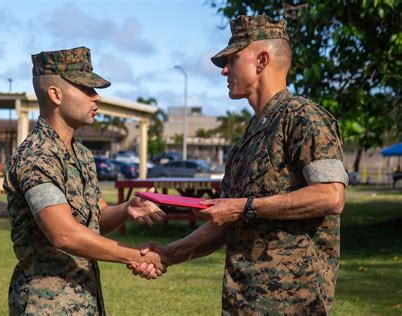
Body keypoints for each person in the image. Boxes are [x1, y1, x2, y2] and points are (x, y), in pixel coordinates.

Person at [132, 15, 349, 314]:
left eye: (232, 60)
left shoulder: (304, 118)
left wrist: (244, 206)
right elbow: (222, 223)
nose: (223, 70)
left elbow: (330, 196)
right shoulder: (248, 137)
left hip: (291, 304)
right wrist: (167, 254)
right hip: (242, 302)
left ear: (261, 61)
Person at [3, 46, 167, 315]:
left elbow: (96, 218)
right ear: (55, 95)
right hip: (47, 305)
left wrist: (127, 209)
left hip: (84, 298)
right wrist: (135, 255)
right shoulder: (36, 158)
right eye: (86, 89)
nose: (97, 97)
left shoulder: (80, 154)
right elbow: (63, 233)